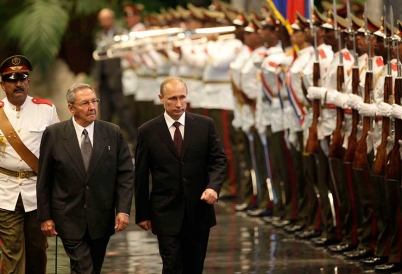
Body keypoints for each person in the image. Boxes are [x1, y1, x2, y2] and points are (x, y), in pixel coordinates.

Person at [36, 83, 134, 274]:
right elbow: (45, 179)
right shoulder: (55, 134)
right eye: (85, 103)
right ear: (71, 108)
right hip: (68, 217)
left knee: (92, 269)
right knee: (84, 269)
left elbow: (125, 175)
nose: (92, 107)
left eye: (94, 101)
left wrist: (123, 210)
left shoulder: (112, 132)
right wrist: (45, 216)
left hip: (101, 218)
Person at [134, 77, 227, 274]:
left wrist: (213, 187)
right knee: (172, 266)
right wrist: (142, 213)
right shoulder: (147, 131)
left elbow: (218, 160)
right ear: (161, 98)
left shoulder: (205, 125)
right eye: (172, 99)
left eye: (182, 98)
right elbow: (141, 175)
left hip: (198, 211)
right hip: (165, 212)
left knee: (194, 267)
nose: (178, 104)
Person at [0, 55, 59, 273]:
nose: (18, 84)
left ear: (28, 82)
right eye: (12, 80)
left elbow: (57, 152)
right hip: (4, 190)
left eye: (22, 79)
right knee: (12, 248)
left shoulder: (46, 109)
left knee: (36, 249)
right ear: (2, 84)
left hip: (37, 192)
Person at [91, 8, 137, 148]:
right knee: (104, 113)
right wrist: (95, 79)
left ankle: (135, 142)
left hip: (119, 80)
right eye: (101, 20)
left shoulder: (121, 33)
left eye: (105, 19)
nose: (103, 22)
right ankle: (105, 145)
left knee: (123, 113)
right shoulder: (99, 35)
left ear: (112, 19)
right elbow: (96, 59)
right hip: (104, 80)